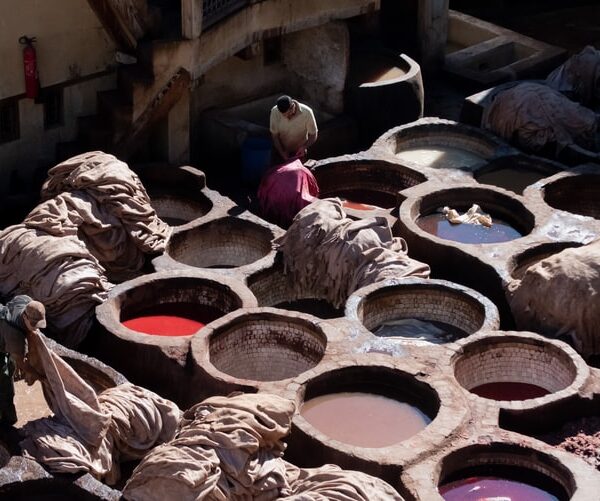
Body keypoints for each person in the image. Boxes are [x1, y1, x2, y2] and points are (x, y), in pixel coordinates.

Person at [0, 295, 46, 426]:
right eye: (33, 325)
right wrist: (37, 375)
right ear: (24, 317)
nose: (36, 328)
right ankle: (8, 422)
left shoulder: (25, 301)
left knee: (11, 366)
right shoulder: (14, 335)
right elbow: (21, 363)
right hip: (4, 337)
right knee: (5, 384)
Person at [269, 95, 318, 163]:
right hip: (282, 151)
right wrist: (282, 152)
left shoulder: (307, 112)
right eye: (284, 116)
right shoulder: (275, 112)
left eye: (289, 114)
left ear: (293, 106)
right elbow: (275, 136)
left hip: (299, 153)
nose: (287, 117)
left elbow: (313, 134)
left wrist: (304, 147)